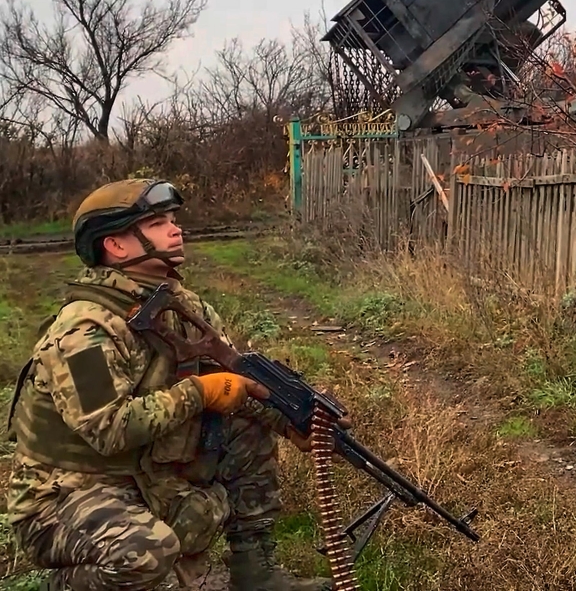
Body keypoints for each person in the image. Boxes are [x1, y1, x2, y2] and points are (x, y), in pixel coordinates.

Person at [4, 178, 335, 591]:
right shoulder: (82, 330)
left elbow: (237, 387)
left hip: (140, 473)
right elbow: (109, 429)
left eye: (173, 219)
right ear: (116, 246)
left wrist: (291, 420)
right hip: (61, 494)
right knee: (146, 554)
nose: (177, 229)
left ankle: (256, 570)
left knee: (246, 425)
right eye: (158, 222)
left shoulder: (183, 306)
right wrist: (199, 393)